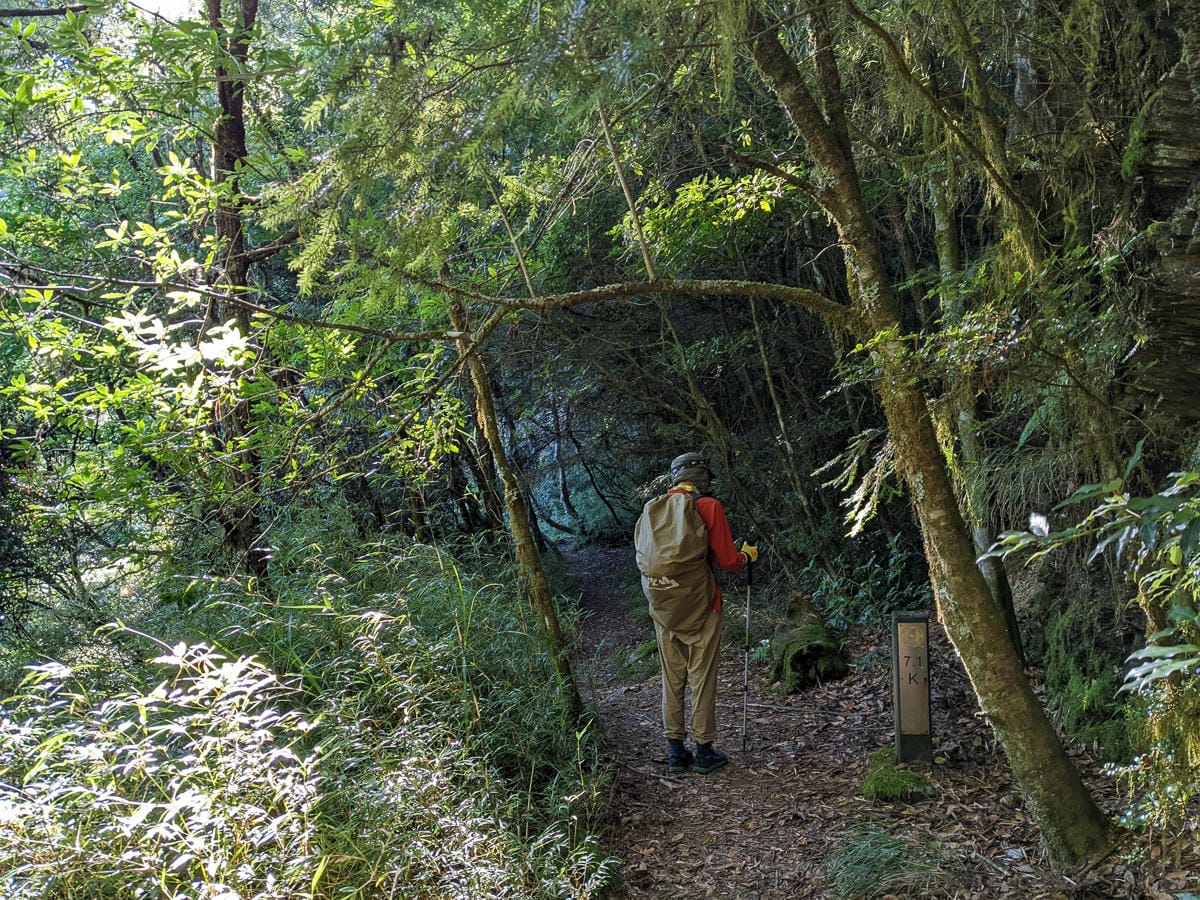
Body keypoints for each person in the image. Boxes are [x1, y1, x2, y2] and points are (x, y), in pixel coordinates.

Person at [634, 452, 757, 775]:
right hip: (702, 606)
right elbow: (728, 560)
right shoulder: (708, 507)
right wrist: (746, 557)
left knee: (671, 678)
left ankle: (675, 751)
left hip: (663, 608)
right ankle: (704, 751)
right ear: (703, 477)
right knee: (702, 677)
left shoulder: (652, 510)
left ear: (674, 477)